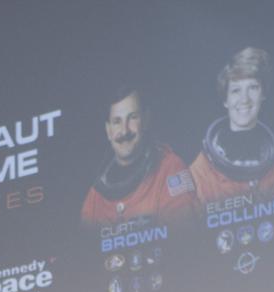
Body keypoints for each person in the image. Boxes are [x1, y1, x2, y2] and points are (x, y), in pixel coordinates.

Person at [189, 47, 274, 203]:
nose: (244, 99)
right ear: (225, 100)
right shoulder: (201, 172)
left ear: (263, 94)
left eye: (253, 88)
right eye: (236, 90)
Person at [80, 86, 194, 227]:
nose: (124, 131)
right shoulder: (95, 198)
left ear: (145, 120)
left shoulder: (172, 170)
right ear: (108, 131)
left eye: (132, 118)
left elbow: (185, 237)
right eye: (117, 122)